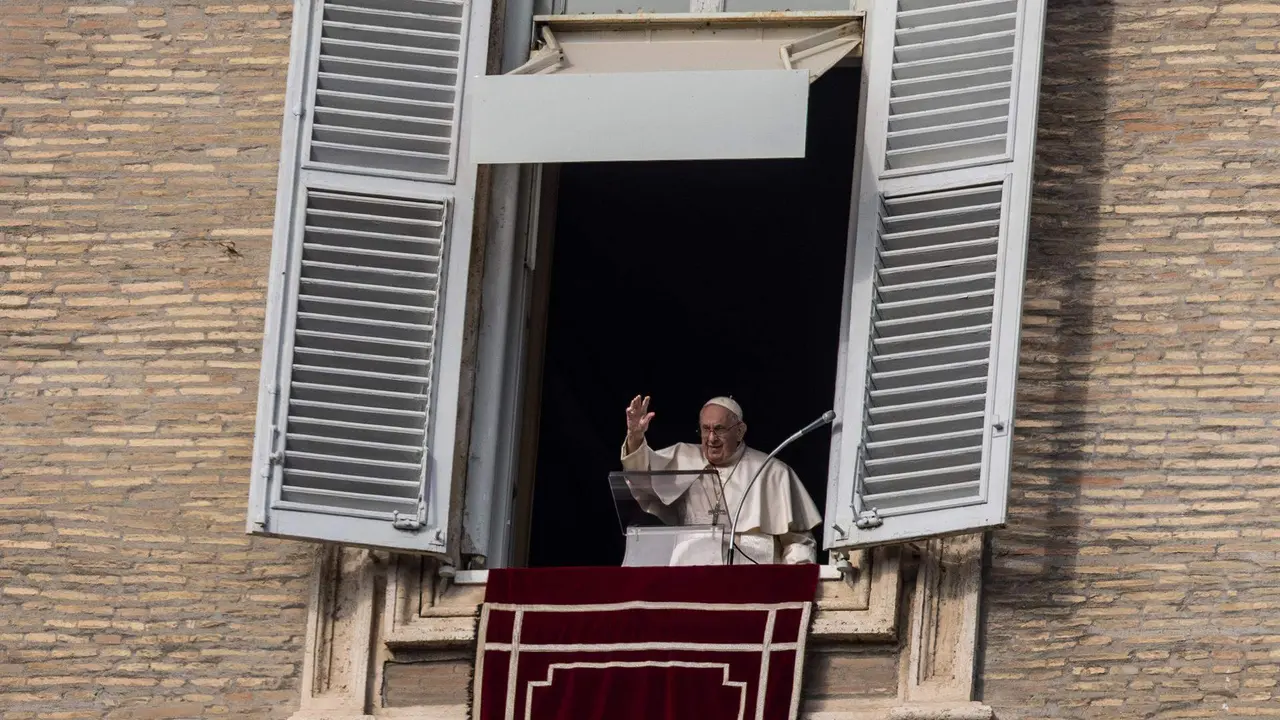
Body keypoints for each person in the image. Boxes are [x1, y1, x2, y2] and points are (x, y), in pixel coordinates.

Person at [620, 394, 822, 564]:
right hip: (689, 572)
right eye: (705, 429)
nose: (711, 438)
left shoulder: (772, 471)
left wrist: (795, 580)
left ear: (740, 431)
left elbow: (798, 541)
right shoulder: (682, 457)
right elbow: (641, 479)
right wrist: (635, 437)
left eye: (719, 429)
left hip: (752, 580)